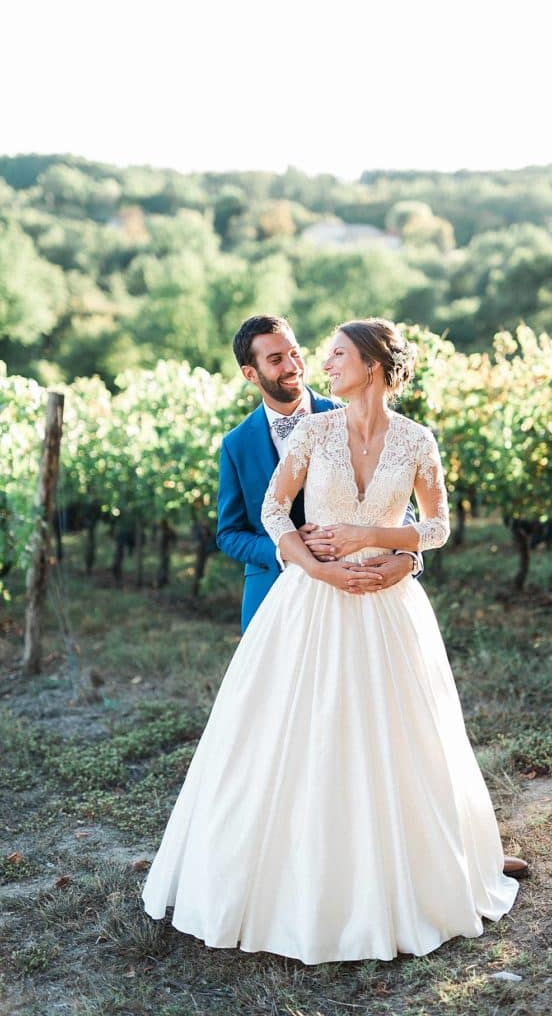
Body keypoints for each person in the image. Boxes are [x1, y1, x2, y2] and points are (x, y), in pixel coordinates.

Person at [142, 318, 520, 963]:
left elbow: (437, 526)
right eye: (296, 356)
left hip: (387, 603)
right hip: (311, 601)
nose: (318, 365)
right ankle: (295, 880)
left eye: (334, 354)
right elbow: (267, 512)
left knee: (400, 735)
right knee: (299, 733)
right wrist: (316, 564)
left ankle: (419, 866)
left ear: (372, 365)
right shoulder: (313, 433)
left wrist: (387, 549)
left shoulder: (416, 439)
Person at [215, 314, 417, 632]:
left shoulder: (349, 415)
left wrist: (408, 557)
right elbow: (229, 533)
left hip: (355, 589)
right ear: (250, 373)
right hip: (271, 591)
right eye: (276, 359)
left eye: (295, 353)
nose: (293, 366)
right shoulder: (236, 444)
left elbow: (398, 500)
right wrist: (287, 548)